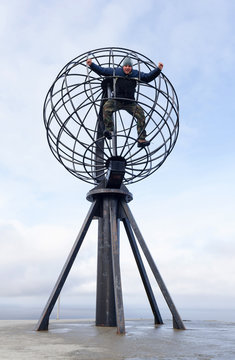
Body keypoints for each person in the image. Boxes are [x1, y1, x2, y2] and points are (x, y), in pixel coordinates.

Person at [86, 56, 163, 147]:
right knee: (106, 107)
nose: (127, 68)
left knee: (141, 114)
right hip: (117, 100)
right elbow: (103, 71)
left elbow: (147, 77)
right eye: (125, 66)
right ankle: (109, 130)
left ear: (131, 67)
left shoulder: (136, 74)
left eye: (129, 66)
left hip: (130, 102)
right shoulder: (116, 71)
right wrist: (91, 65)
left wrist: (158, 69)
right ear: (123, 67)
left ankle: (141, 139)